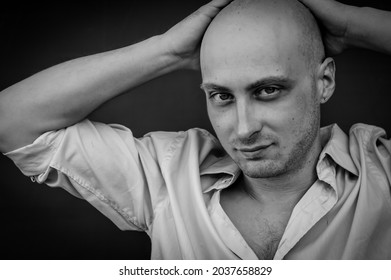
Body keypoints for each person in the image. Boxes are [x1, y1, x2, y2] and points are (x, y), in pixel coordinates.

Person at [0, 0, 390, 259]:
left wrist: (354, 26)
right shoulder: (167, 176)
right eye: (221, 96)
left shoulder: (382, 172)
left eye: (268, 90)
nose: (243, 128)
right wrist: (166, 51)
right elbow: (11, 121)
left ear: (324, 82)